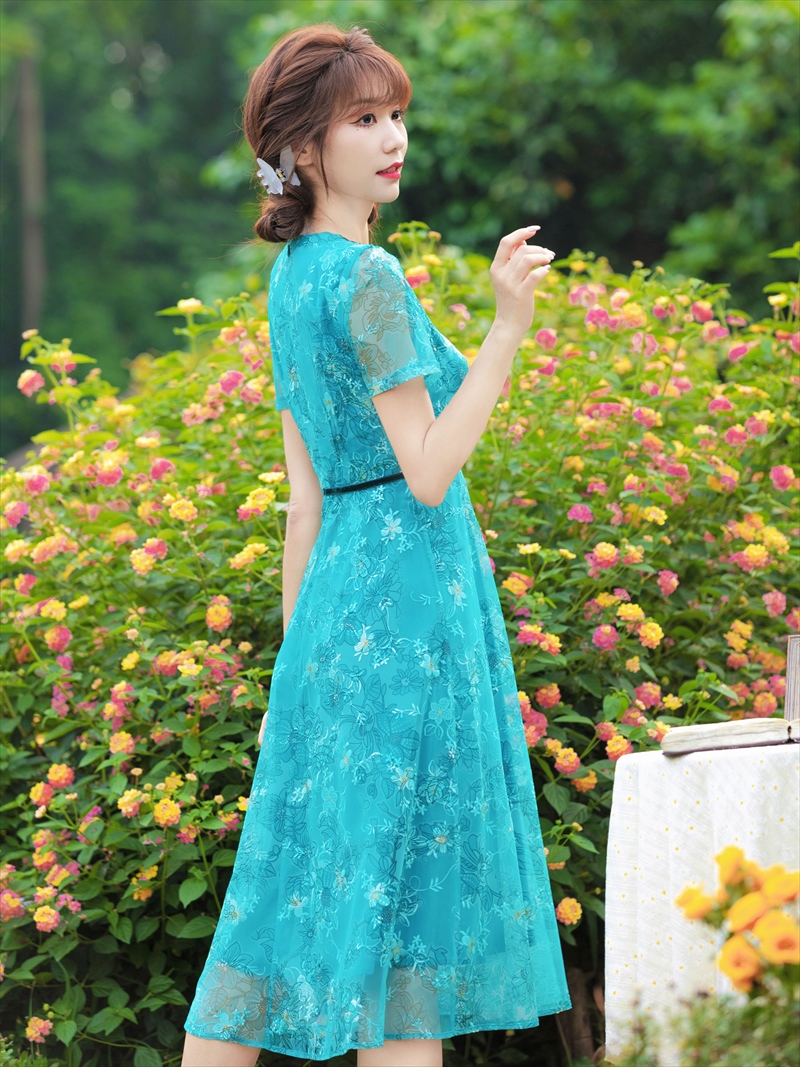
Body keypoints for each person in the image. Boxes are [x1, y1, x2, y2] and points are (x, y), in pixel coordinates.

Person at [181, 22, 571, 1067]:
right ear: (304, 146)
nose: (393, 136)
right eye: (364, 118)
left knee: (280, 897)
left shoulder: (290, 276)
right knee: (407, 913)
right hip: (407, 605)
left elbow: (303, 500)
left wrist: (294, 659)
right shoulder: (367, 277)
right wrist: (505, 327)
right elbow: (429, 470)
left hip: (333, 614)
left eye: (395, 113)